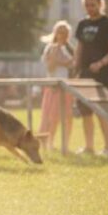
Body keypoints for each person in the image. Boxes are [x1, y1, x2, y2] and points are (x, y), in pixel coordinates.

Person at [73, 0, 108, 156]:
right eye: (86, 5)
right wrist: (75, 67)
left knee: (103, 112)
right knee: (85, 112)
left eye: (92, 5)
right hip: (84, 74)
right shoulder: (82, 24)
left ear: (100, 4)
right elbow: (79, 48)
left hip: (102, 75)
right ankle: (89, 147)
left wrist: (100, 63)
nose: (89, 8)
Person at [38, 21, 75, 152]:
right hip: (53, 86)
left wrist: (66, 62)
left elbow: (74, 65)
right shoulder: (50, 47)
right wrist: (60, 58)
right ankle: (49, 143)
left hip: (67, 87)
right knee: (51, 117)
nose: (62, 35)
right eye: (59, 32)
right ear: (55, 33)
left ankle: (65, 144)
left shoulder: (70, 48)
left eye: (65, 32)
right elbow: (50, 66)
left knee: (68, 117)